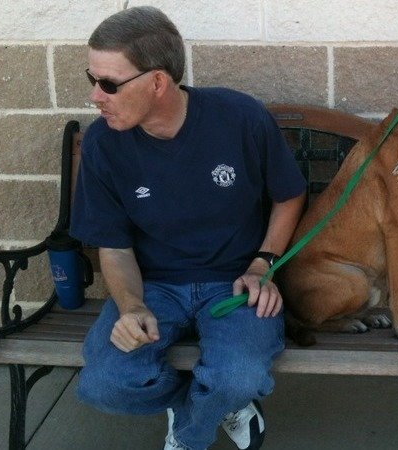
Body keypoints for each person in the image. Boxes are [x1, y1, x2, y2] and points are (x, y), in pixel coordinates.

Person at [69, 6, 307, 450]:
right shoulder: (103, 142)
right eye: (92, 79)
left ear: (158, 82)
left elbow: (289, 195)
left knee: (239, 377)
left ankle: (191, 430)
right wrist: (131, 307)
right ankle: (209, 402)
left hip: (234, 283)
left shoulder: (240, 117)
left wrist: (262, 265)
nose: (95, 96)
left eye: (108, 84)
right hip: (153, 286)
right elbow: (114, 247)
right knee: (105, 384)